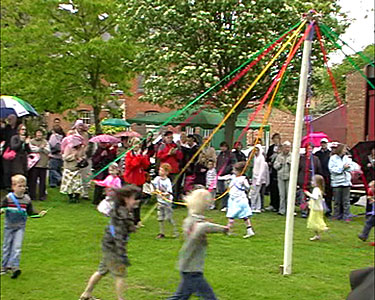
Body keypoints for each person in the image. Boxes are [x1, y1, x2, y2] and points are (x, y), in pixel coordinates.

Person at [79, 185, 140, 300]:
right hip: (114, 249)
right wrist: (121, 254)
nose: (136, 201)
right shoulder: (122, 215)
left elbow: (125, 227)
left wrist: (132, 227)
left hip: (109, 247)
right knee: (120, 275)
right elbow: (118, 237)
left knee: (101, 271)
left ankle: (86, 294)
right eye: (134, 198)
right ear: (126, 199)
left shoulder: (122, 212)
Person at [167, 189, 228, 300]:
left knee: (182, 296)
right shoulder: (195, 221)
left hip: (190, 266)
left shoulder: (192, 218)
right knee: (209, 297)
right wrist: (223, 229)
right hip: (192, 268)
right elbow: (202, 228)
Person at [1, 175, 47, 278]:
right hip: (9, 226)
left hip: (20, 227)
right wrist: (2, 210)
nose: (22, 188)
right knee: (6, 246)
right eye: (20, 186)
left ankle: (14, 267)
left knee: (17, 247)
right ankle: (4, 267)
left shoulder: (27, 199)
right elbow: (2, 207)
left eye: (24, 186)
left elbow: (30, 213)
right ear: (13, 186)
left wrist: (40, 214)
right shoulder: (8, 198)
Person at [123, 137, 150, 227]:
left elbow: (146, 165)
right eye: (135, 144)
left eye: (138, 144)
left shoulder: (140, 154)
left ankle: (137, 220)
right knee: (131, 201)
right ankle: (129, 219)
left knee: (138, 201)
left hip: (139, 179)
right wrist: (138, 157)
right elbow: (131, 166)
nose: (137, 146)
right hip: (131, 179)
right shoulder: (129, 154)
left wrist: (144, 157)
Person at [226, 162, 255, 238]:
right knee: (238, 215)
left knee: (239, 215)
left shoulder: (243, 179)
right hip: (233, 199)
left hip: (240, 200)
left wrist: (243, 184)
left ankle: (229, 230)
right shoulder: (233, 177)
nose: (233, 172)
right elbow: (227, 181)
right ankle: (229, 229)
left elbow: (248, 187)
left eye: (235, 170)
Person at [329, 143, 354, 221]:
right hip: (336, 182)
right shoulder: (333, 158)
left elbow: (351, 168)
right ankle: (336, 215)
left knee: (346, 201)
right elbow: (332, 170)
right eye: (344, 149)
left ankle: (346, 216)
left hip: (346, 182)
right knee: (337, 201)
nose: (345, 151)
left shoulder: (347, 158)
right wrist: (342, 168)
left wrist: (347, 168)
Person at [152, 163, 178, 239]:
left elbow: (169, 192)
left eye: (162, 170)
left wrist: (163, 194)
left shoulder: (167, 181)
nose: (160, 172)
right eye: (160, 170)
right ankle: (161, 233)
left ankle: (174, 232)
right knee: (160, 218)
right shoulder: (157, 179)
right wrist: (154, 191)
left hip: (167, 202)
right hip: (160, 202)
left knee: (168, 218)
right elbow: (154, 187)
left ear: (166, 172)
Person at [156, 131, 183, 201]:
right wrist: (168, 154)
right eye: (168, 137)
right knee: (164, 185)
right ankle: (163, 199)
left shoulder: (176, 146)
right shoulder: (162, 146)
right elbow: (159, 156)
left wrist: (176, 153)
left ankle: (173, 200)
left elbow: (180, 157)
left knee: (174, 185)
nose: (170, 139)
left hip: (174, 168)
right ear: (165, 138)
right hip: (165, 169)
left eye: (171, 137)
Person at [297, 143, 322, 218]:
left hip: (312, 181)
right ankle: (304, 211)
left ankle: (311, 210)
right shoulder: (301, 158)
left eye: (311, 148)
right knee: (302, 197)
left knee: (312, 197)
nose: (310, 150)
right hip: (302, 180)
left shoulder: (315, 159)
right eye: (308, 148)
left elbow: (319, 170)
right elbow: (298, 169)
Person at [304, 174, 329, 241]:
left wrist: (308, 194)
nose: (311, 182)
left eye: (313, 181)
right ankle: (317, 235)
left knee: (315, 221)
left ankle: (323, 227)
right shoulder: (318, 189)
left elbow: (315, 197)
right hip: (316, 208)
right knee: (314, 221)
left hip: (316, 209)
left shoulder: (316, 189)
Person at [28, 129, 50, 201]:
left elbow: (48, 151)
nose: (39, 136)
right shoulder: (31, 141)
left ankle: (42, 196)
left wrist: (42, 148)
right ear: (35, 135)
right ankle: (32, 196)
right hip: (34, 164)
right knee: (33, 181)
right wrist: (41, 148)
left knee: (43, 182)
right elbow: (32, 149)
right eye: (38, 134)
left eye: (40, 134)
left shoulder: (45, 142)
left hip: (43, 164)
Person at [314, 138, 333, 216]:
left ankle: (328, 210)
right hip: (319, 175)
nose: (323, 144)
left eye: (324, 143)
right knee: (319, 193)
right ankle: (318, 208)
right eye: (322, 143)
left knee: (328, 194)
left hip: (327, 176)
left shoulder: (330, 153)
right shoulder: (317, 153)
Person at [216, 141, 237, 211]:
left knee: (226, 191)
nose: (223, 148)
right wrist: (218, 170)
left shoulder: (230, 155)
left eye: (224, 146)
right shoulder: (220, 155)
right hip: (220, 175)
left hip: (227, 175)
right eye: (221, 147)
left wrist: (227, 170)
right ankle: (223, 205)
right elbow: (218, 163)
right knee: (221, 191)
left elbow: (233, 164)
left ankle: (227, 205)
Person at [273, 141, 292, 216]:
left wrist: (290, 164)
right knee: (282, 194)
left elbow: (295, 167)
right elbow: (275, 166)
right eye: (285, 147)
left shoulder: (292, 156)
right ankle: (282, 210)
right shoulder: (279, 156)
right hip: (280, 177)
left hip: (289, 177)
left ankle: (289, 210)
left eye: (288, 147)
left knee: (289, 194)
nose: (287, 149)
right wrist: (280, 164)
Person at [1, 115, 19, 190]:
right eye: (9, 119)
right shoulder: (6, 128)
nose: (10, 120)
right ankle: (6, 185)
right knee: (6, 170)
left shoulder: (18, 128)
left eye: (11, 119)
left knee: (15, 169)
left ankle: (15, 184)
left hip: (16, 150)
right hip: (7, 151)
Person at [250, 144, 268, 213]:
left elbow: (261, 169)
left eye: (257, 150)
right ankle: (256, 206)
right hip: (254, 176)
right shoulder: (255, 157)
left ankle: (256, 206)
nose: (256, 152)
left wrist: (259, 179)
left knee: (256, 192)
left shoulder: (261, 158)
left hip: (258, 178)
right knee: (254, 192)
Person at [266, 133, 281, 212]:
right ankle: (272, 204)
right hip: (272, 169)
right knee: (272, 187)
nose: (275, 140)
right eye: (274, 138)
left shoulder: (281, 147)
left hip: (279, 170)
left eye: (277, 138)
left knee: (278, 188)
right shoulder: (271, 148)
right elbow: (267, 157)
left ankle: (278, 205)